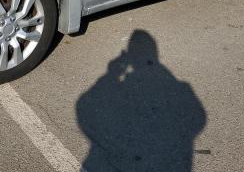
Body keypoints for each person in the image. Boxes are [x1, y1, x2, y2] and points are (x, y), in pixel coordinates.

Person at [77, 30, 206, 171]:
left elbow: (83, 106)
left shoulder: (175, 87)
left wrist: (112, 73)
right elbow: (199, 118)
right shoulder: (180, 87)